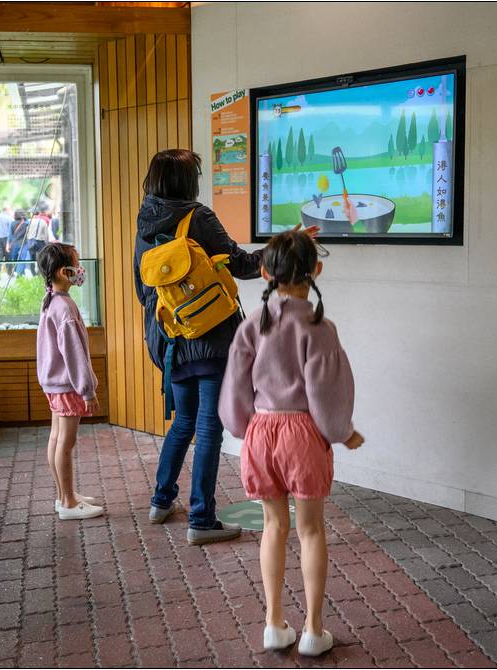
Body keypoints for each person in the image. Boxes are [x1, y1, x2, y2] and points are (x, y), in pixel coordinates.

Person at [219, 230, 364, 657]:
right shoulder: (319, 327)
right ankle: (314, 631)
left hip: (261, 433)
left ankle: (273, 624)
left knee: (273, 527)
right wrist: (341, 430)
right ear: (316, 270)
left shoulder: (251, 325)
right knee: (311, 529)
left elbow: (235, 390)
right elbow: (326, 392)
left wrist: (244, 427)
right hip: (303, 433)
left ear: (264, 272)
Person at [133, 149, 267, 545]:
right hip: (209, 341)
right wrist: (280, 250)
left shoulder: (144, 223)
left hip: (168, 341)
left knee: (184, 422)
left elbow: (142, 291)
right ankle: (202, 520)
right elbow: (241, 265)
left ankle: (161, 501)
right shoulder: (198, 217)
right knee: (209, 429)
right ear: (186, 182)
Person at [35, 242, 104, 520]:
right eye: (76, 265)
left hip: (54, 384)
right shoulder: (64, 307)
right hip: (67, 386)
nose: (80, 270)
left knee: (56, 438)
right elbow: (74, 355)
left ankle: (64, 494)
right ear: (64, 272)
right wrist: (87, 390)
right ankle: (69, 502)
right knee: (66, 442)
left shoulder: (51, 300)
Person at [8, 209, 30, 275]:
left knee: (15, 258)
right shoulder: (26, 223)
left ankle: (19, 272)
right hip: (24, 243)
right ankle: (20, 273)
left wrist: (9, 244)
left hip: (14, 244)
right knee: (22, 259)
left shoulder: (12, 223)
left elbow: (10, 235)